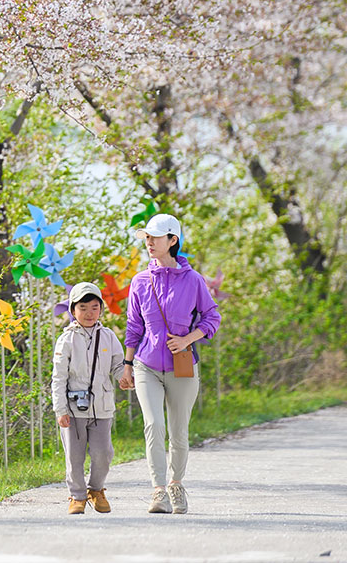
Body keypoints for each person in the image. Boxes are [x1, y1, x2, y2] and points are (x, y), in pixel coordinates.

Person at [119, 213, 220, 514]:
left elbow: (212, 317)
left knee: (178, 431)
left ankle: (176, 485)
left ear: (173, 240)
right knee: (154, 424)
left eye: (155, 236)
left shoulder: (193, 280)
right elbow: (133, 327)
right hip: (146, 364)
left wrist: (188, 339)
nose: (149, 242)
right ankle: (158, 491)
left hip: (182, 367)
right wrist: (126, 364)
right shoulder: (139, 281)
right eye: (146, 237)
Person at [51, 281, 126, 514]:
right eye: (83, 307)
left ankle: (96, 489)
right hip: (74, 408)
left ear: (101, 309)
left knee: (104, 453)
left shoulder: (109, 336)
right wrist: (60, 409)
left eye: (94, 307)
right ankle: (77, 496)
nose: (89, 313)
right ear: (73, 310)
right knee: (74, 456)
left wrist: (126, 377)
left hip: (102, 406)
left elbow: (118, 366)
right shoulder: (66, 340)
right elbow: (59, 377)